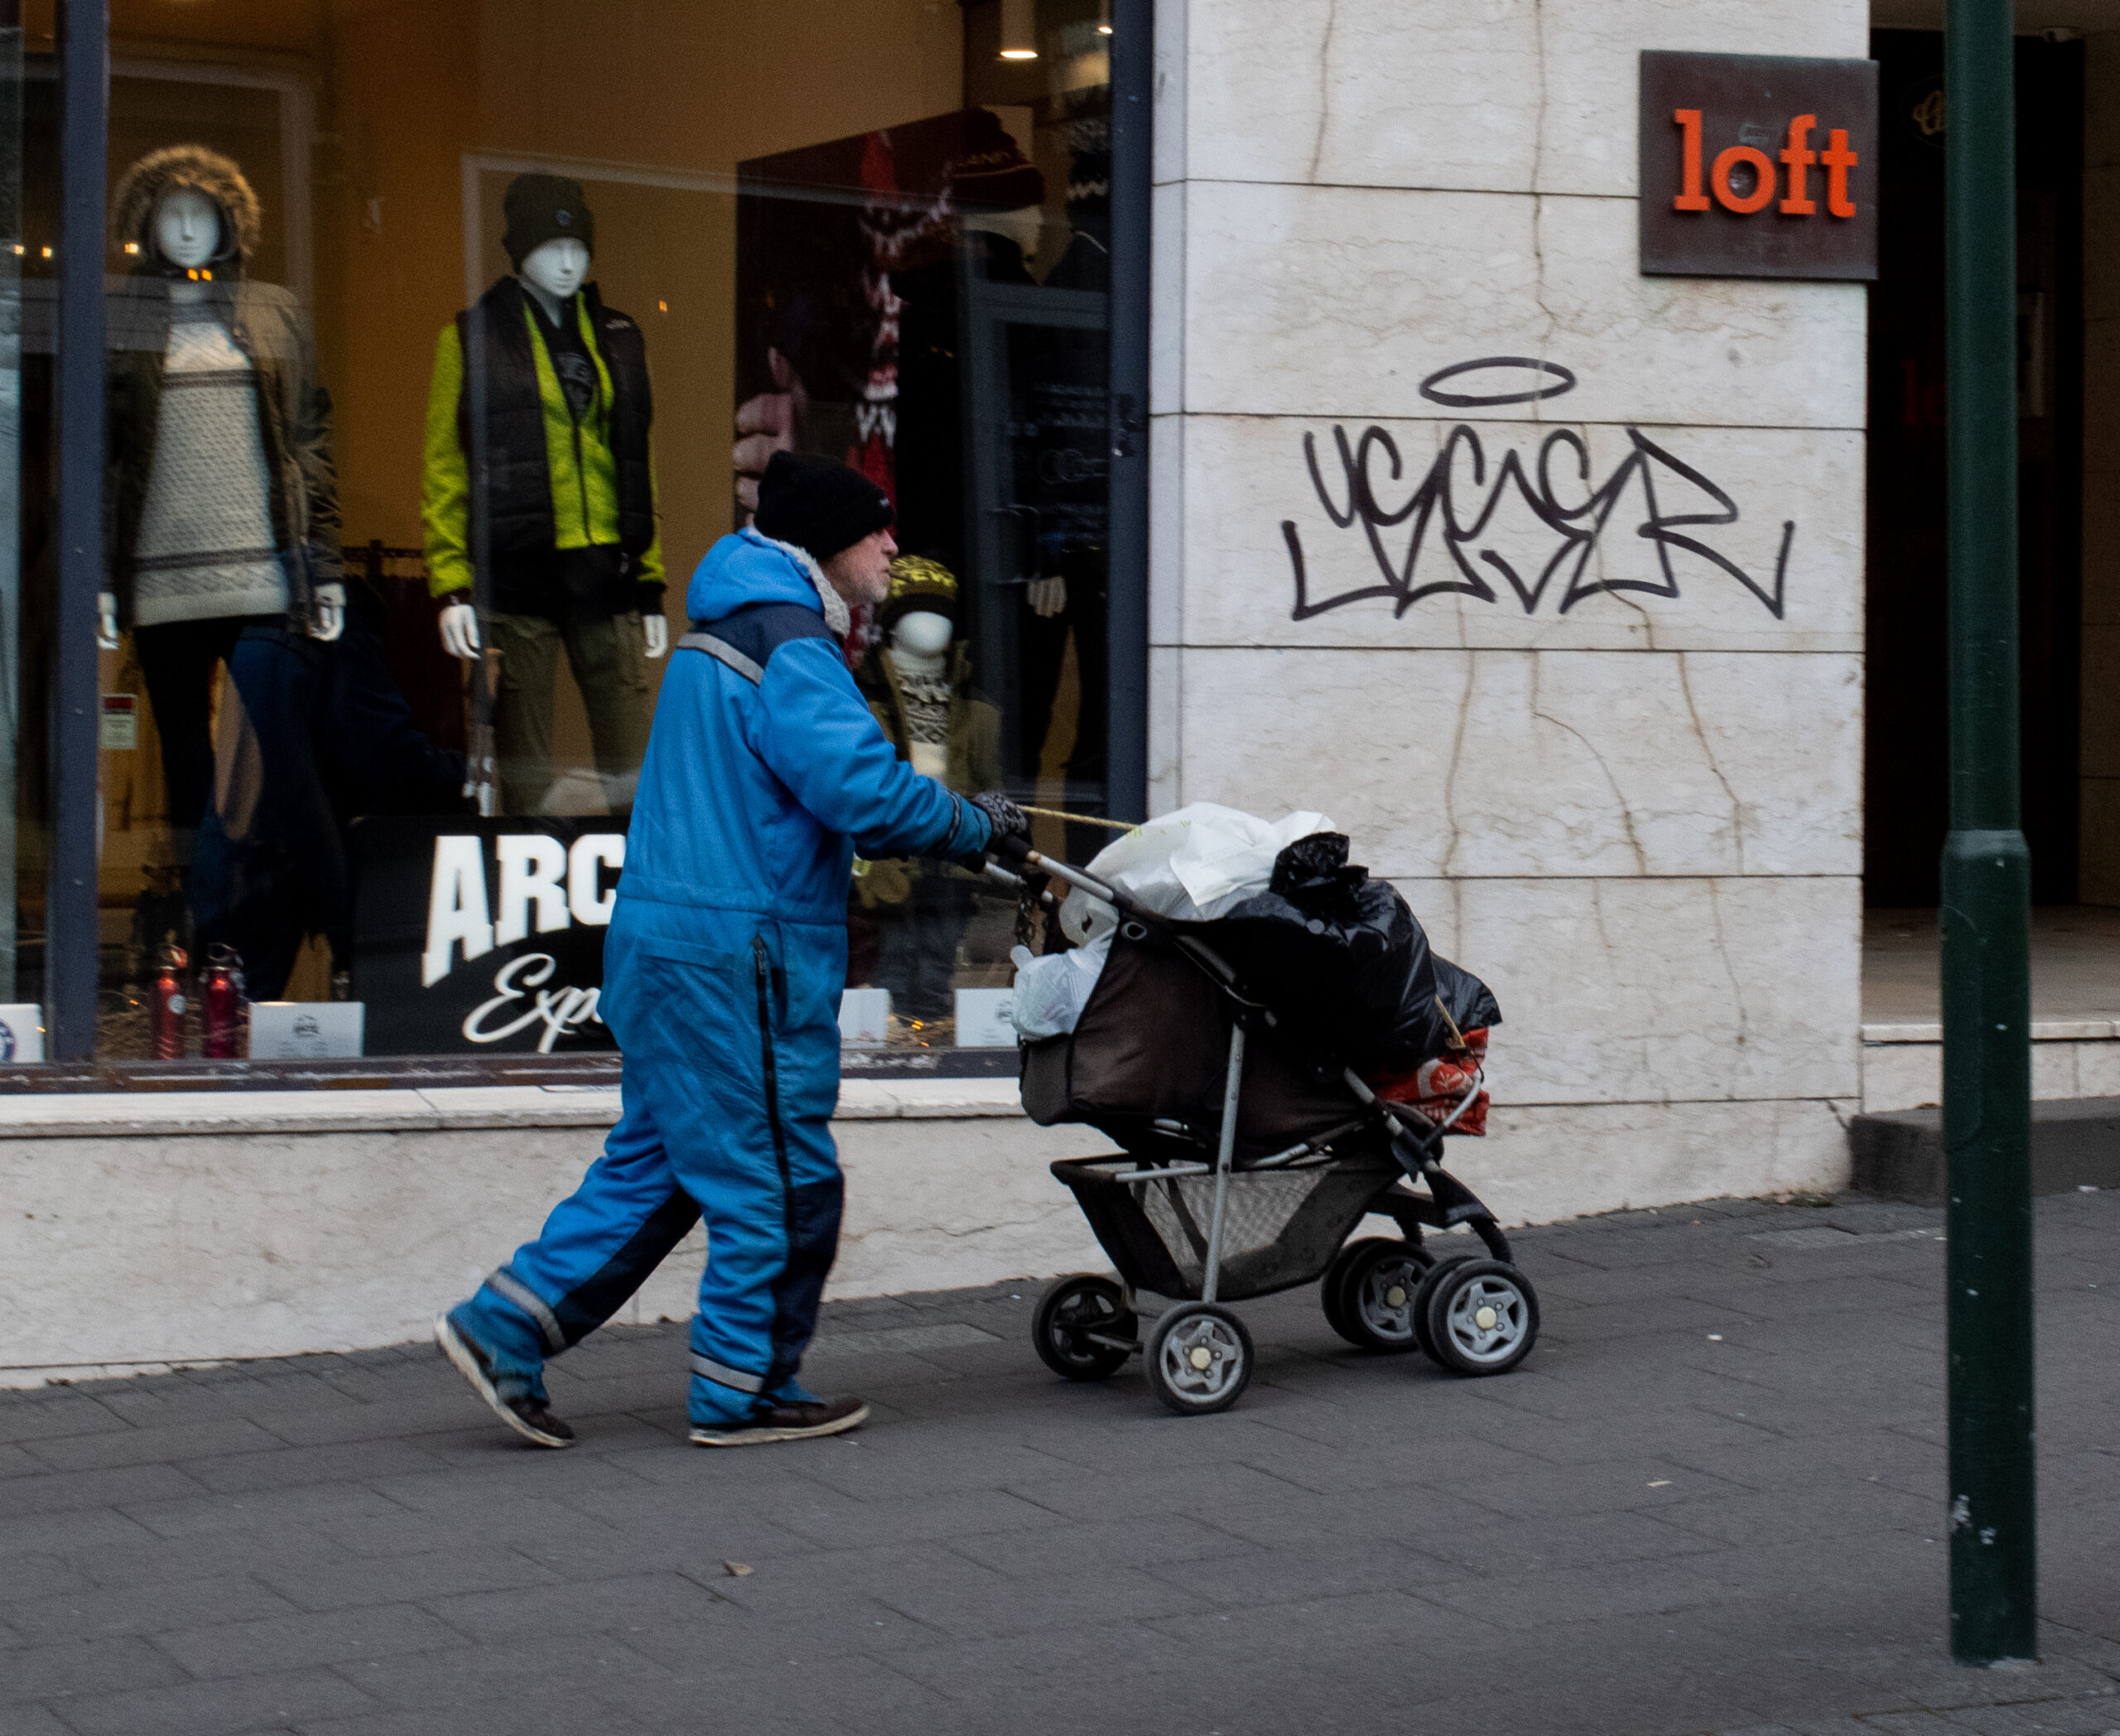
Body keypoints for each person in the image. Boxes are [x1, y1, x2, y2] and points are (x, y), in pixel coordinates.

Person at [435, 451, 1027, 1448]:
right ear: (828, 542)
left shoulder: (728, 628)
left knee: (658, 1169)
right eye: (876, 529)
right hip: (738, 959)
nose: (891, 546)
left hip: (673, 948)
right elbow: (861, 789)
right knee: (781, 1182)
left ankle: (503, 1326)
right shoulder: (789, 641)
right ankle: (742, 1387)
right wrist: (972, 823)